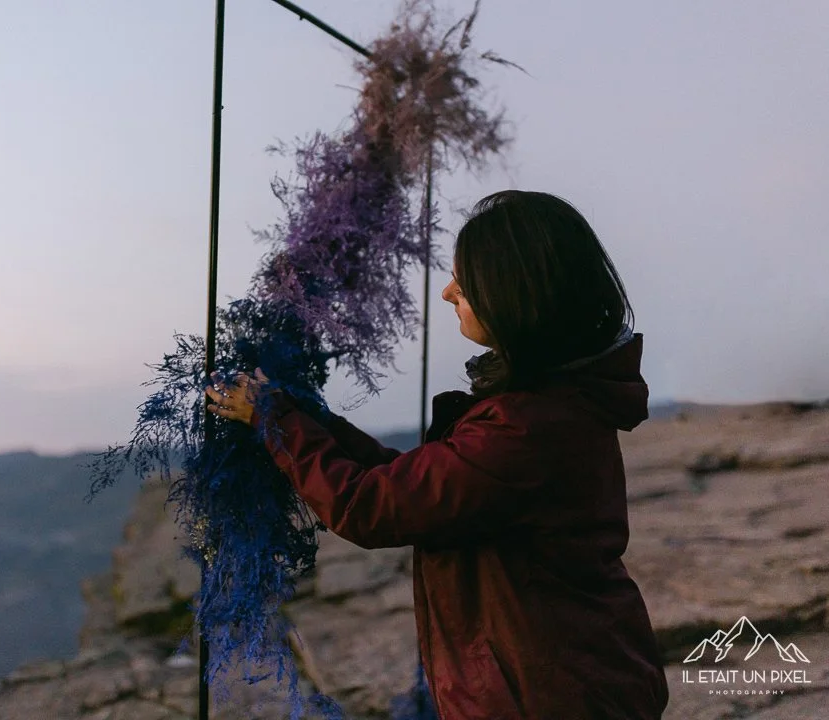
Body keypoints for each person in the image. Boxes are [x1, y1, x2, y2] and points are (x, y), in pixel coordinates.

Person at [205, 190, 669, 720]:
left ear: (516, 295)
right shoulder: (550, 404)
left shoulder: (527, 428)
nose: (449, 292)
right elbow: (415, 481)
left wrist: (277, 422)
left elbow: (370, 506)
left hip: (546, 696)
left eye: (465, 283)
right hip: (566, 677)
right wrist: (312, 420)